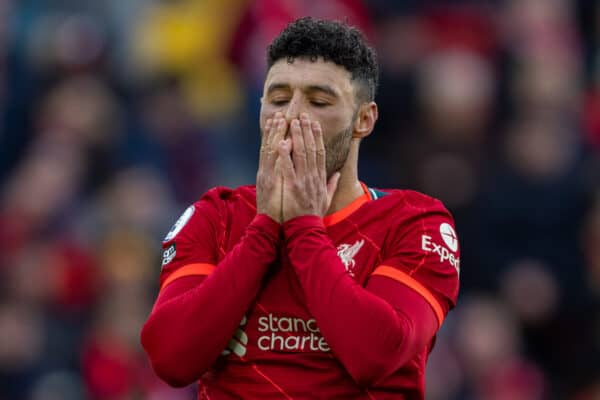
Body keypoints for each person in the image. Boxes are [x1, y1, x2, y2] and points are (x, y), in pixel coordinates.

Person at [141, 17, 460, 399]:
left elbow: (377, 355)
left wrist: (304, 227)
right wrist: (263, 230)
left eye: (318, 101)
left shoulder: (413, 223)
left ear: (364, 120)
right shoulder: (217, 216)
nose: (291, 116)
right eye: (277, 99)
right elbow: (171, 359)